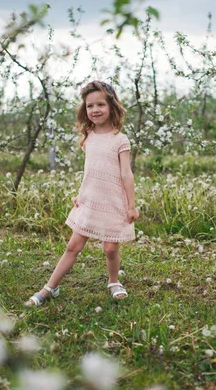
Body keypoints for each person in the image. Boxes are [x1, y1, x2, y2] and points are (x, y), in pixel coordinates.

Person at [25, 81, 139, 306]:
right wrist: (81, 193)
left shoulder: (120, 140)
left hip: (114, 202)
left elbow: (126, 174)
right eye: (90, 106)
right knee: (73, 246)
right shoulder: (89, 136)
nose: (95, 110)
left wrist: (131, 205)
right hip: (90, 200)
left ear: (112, 107)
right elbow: (91, 171)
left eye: (100, 104)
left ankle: (114, 281)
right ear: (84, 109)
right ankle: (49, 288)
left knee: (110, 248)